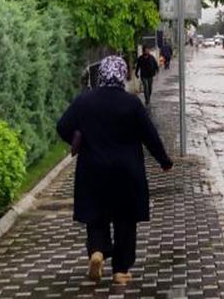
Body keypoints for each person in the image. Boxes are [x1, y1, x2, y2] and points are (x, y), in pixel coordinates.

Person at [56, 56, 173, 285]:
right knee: (125, 221)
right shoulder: (131, 103)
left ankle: (97, 251)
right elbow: (150, 136)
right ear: (122, 75)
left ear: (101, 74)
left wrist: (78, 137)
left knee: (95, 216)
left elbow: (62, 127)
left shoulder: (84, 100)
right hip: (126, 173)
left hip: (93, 171)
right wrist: (164, 160)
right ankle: (120, 271)